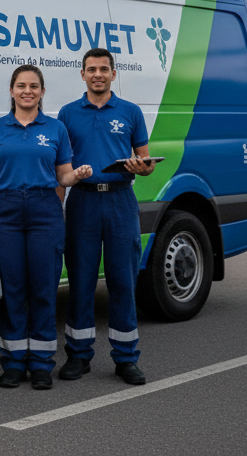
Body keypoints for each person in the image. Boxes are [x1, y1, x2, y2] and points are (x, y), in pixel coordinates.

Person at [0, 64, 92, 390]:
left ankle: (41, 364)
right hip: (6, 212)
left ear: (42, 92)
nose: (28, 91)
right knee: (13, 290)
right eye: (21, 85)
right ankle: (13, 363)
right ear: (12, 90)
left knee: (43, 289)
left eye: (34, 86)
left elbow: (63, 176)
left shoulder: (55, 129)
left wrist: (76, 176)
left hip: (44, 211)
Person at [56, 47, 155, 386]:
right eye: (91, 69)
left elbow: (146, 163)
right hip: (82, 201)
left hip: (120, 201)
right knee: (81, 281)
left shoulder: (130, 111)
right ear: (82, 74)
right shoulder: (67, 114)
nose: (97, 74)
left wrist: (142, 168)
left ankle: (126, 359)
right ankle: (78, 355)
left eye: (103, 69)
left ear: (113, 74)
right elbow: (60, 167)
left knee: (123, 281)